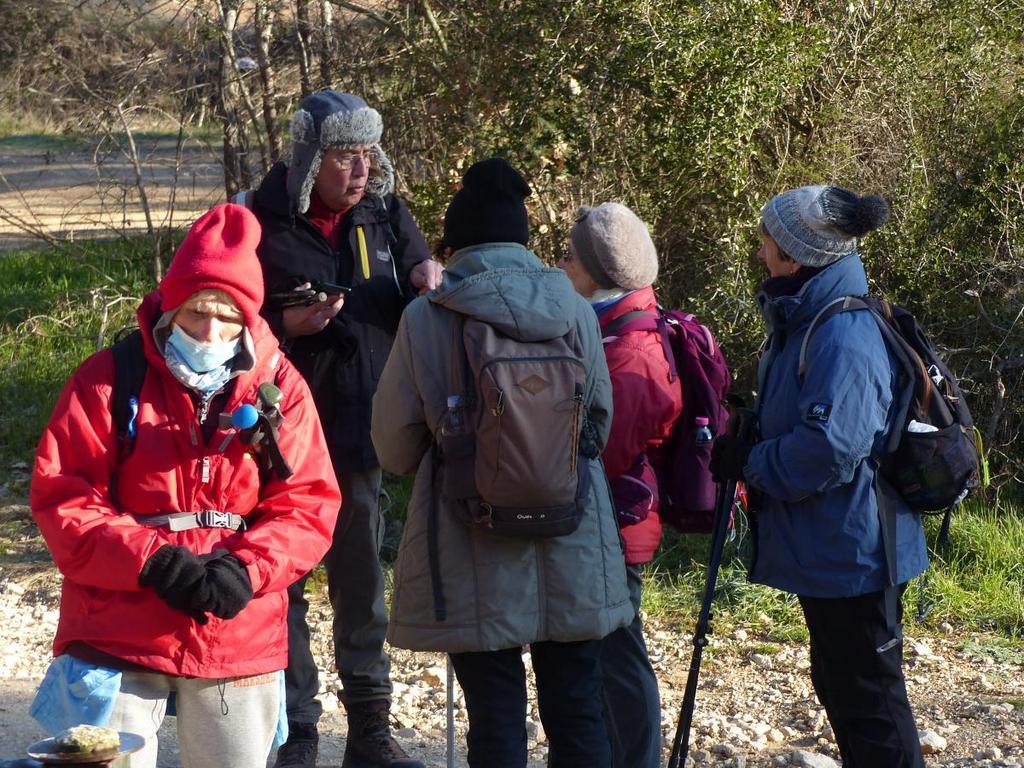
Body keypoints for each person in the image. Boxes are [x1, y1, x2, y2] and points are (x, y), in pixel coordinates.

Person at [29, 204, 341, 768]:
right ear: (172, 306)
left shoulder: (280, 389)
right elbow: (64, 495)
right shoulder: (107, 379)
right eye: (198, 313)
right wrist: (150, 560)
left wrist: (247, 570)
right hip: (117, 628)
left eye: (228, 319)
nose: (211, 332)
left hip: (236, 629)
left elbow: (308, 504)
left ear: (249, 320)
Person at [370, 158, 633, 768]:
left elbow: (396, 448)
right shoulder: (573, 310)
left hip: (469, 536)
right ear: (523, 240)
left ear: (454, 245)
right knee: (578, 709)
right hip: (575, 530)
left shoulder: (426, 317)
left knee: (494, 719)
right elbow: (597, 423)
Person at [249, 90, 440, 768]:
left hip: (360, 434)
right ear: (308, 157)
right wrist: (282, 328)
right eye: (343, 157)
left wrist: (426, 276)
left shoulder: (385, 214)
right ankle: (295, 733)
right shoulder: (256, 219)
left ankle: (369, 736)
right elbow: (217, 323)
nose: (359, 171)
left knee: (361, 588)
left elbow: (422, 273)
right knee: (282, 586)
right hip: (274, 439)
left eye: (366, 155)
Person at [710, 185, 928, 767]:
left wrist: (751, 464)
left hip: (857, 552)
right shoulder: (804, 317)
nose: (760, 252)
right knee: (842, 688)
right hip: (834, 545)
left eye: (766, 241)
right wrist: (749, 439)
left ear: (795, 253)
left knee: (870, 701)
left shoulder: (841, 332)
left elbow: (831, 447)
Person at [559, 202, 683, 768]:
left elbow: (604, 452)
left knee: (618, 657)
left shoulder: (630, 352)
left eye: (568, 256)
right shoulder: (615, 326)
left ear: (594, 270)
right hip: (612, 523)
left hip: (618, 527)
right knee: (607, 654)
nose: (560, 264)